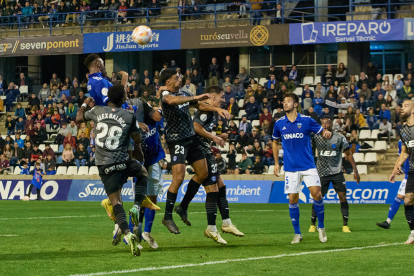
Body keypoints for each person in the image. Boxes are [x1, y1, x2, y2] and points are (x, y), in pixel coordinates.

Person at [76, 86, 159, 256]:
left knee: (116, 203)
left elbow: (78, 118)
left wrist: (85, 104)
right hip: (123, 161)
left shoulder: (97, 110)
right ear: (122, 99)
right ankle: (136, 206)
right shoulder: (129, 115)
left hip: (105, 166)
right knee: (143, 173)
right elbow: (137, 140)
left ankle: (127, 234)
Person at [159, 69, 230, 235]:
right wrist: (196, 96)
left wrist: (215, 109)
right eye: (176, 77)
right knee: (178, 177)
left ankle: (183, 206)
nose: (180, 78)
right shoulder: (165, 94)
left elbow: (198, 105)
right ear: (168, 81)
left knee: (203, 172)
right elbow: (173, 101)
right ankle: (167, 216)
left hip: (191, 138)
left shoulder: (184, 91)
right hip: (176, 140)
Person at [272, 93, 332, 244]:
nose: (285, 104)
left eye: (288, 101)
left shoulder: (306, 120)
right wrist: (276, 163)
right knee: (292, 198)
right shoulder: (279, 123)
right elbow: (274, 142)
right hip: (291, 167)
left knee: (317, 194)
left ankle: (321, 227)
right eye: (284, 101)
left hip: (308, 165)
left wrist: (325, 132)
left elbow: (321, 131)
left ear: (296, 104)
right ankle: (297, 233)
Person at [309, 115, 360, 233]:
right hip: (322, 172)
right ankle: (312, 224)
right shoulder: (316, 137)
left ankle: (345, 225)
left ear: (332, 125)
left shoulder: (339, 138)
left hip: (337, 172)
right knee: (318, 197)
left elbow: (348, 154)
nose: (325, 125)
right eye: (323, 123)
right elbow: (310, 153)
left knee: (342, 197)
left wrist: (355, 171)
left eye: (327, 123)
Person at [389, 99, 414, 244]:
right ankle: (413, 233)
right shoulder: (404, 131)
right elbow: (404, 153)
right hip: (412, 170)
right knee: (408, 200)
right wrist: (396, 167)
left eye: (406, 106)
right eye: (402, 106)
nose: (402, 108)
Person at [377, 140, 409, 229]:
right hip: (408, 175)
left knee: (407, 199)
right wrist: (394, 171)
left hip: (411, 174)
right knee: (400, 196)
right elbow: (401, 156)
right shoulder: (401, 141)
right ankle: (388, 221)